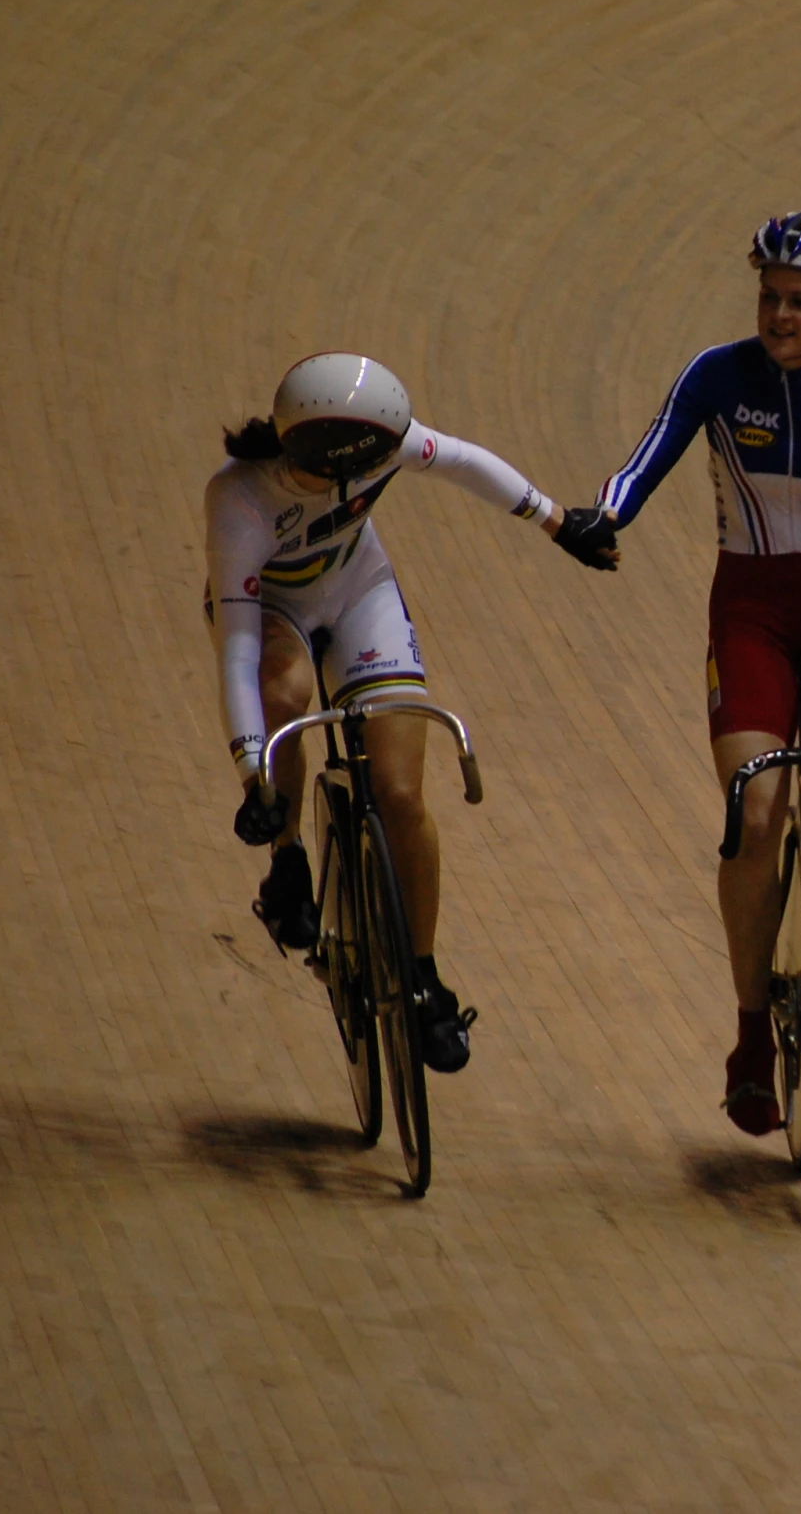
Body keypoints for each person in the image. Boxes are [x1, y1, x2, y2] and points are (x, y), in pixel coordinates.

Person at [553, 211, 801, 1136]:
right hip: (752, 603)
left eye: (799, 301)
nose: (778, 315)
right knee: (753, 812)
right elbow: (646, 460)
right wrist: (605, 517)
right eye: (769, 297)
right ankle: (753, 1032)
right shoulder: (717, 376)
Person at [206, 352, 573, 1072]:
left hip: (360, 591)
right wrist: (255, 779)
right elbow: (235, 649)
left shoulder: (373, 434)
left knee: (402, 795)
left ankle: (424, 975)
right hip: (272, 609)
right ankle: (289, 862)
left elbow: (465, 461)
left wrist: (559, 522)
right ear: (341, 458)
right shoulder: (240, 502)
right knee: (286, 694)